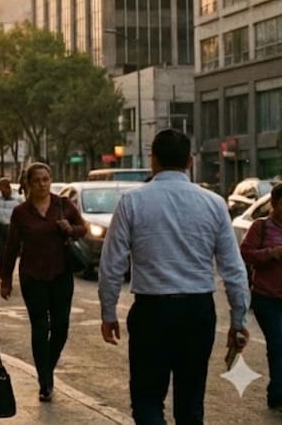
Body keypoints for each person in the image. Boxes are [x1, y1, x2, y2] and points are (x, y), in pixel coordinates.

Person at [99, 129, 250, 424]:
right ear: (190, 162)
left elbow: (112, 264)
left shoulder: (132, 202)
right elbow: (233, 268)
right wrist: (238, 320)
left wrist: (108, 312)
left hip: (151, 311)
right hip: (197, 312)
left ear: (152, 161)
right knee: (191, 401)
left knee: (147, 399)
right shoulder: (214, 203)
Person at [0, 162, 84, 402]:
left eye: (46, 179)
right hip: (32, 275)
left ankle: (47, 368)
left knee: (61, 327)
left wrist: (71, 228)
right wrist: (6, 279)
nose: (42, 184)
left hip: (61, 273)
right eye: (36, 180)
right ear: (28, 184)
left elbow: (83, 229)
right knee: (40, 326)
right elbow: (12, 247)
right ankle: (44, 380)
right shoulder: (21, 212)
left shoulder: (63, 205)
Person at [240, 183, 282, 413]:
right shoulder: (261, 227)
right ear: (274, 204)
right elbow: (244, 254)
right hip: (267, 298)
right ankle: (278, 395)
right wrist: (270, 253)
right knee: (278, 344)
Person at [0, 177, 23, 255]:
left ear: (7, 186)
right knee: (0, 251)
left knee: (10, 250)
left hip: (10, 226)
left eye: (1, 186)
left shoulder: (17, 198)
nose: (0, 189)